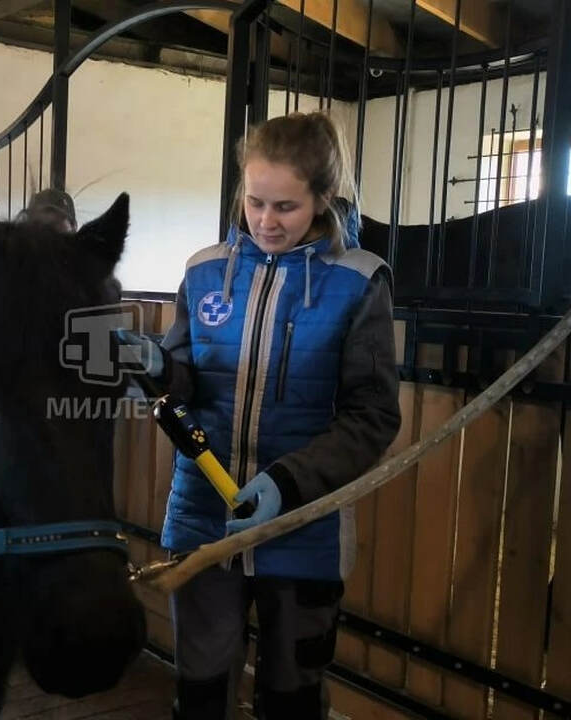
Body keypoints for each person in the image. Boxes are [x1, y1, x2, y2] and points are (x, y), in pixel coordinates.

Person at [121, 112, 400, 719]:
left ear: (323, 198)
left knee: (291, 696)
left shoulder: (358, 281)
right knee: (200, 690)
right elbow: (185, 381)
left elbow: (373, 416)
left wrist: (288, 483)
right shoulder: (203, 272)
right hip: (203, 521)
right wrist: (159, 366)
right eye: (255, 202)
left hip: (304, 529)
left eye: (286, 207)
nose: (266, 221)